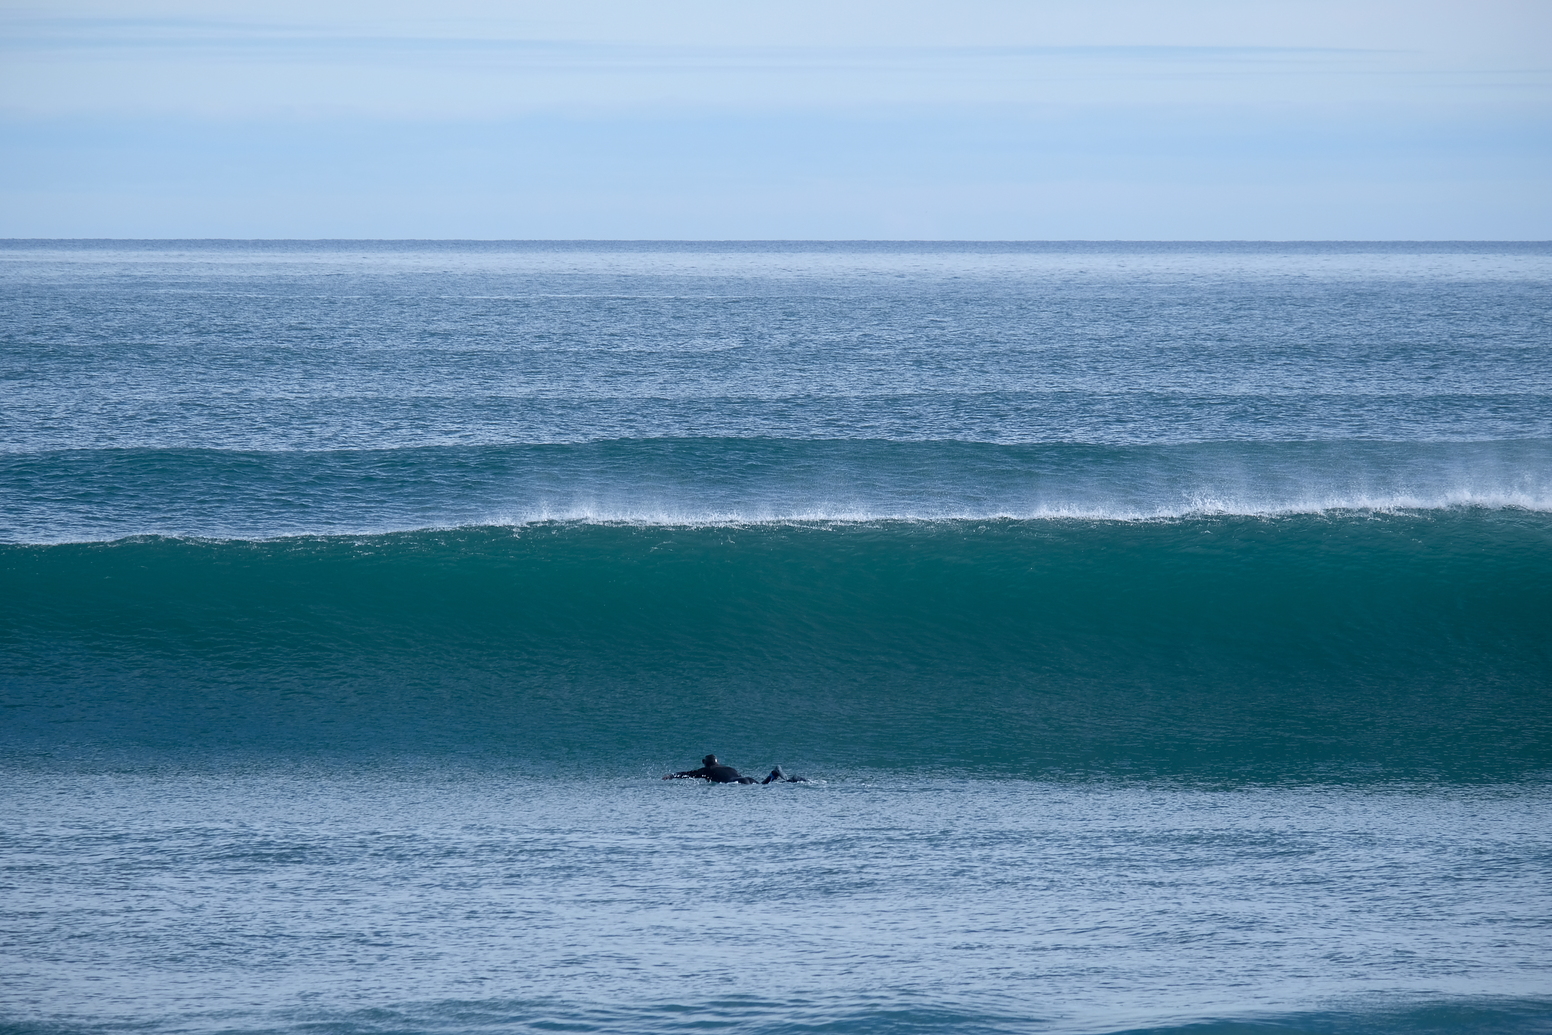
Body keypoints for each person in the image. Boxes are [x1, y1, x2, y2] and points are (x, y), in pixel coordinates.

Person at [663, 754, 758, 784]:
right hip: (748, 779)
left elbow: (688, 774)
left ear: (704, 762)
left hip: (736, 783)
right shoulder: (730, 768)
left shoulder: (707, 770)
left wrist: (672, 775)